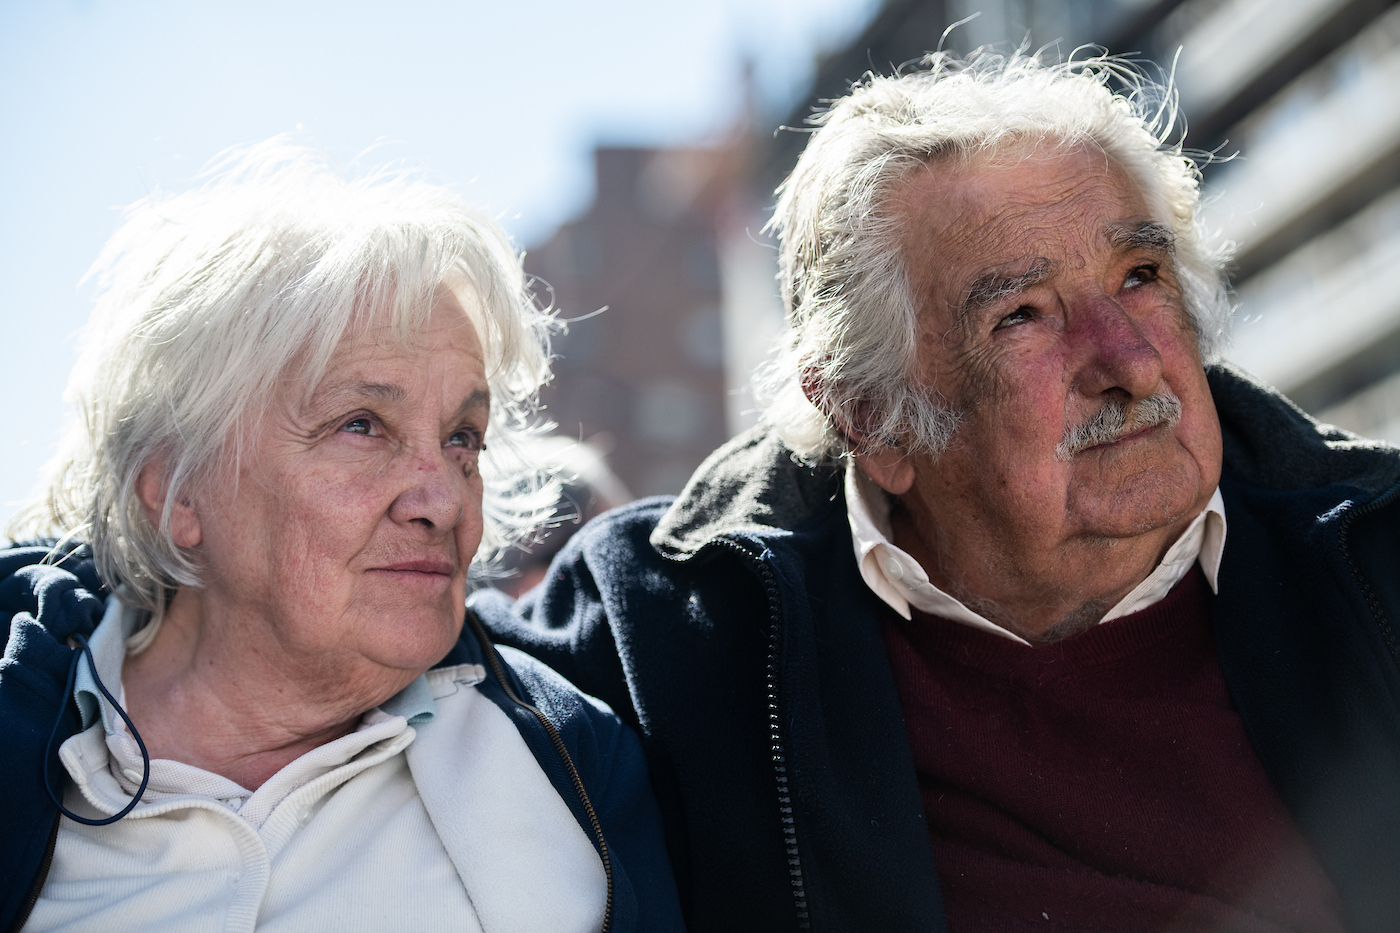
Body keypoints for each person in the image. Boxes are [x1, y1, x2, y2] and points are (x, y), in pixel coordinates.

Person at [472, 51, 1400, 932]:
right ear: (872, 420)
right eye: (1024, 315)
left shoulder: (1374, 553)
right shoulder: (676, 625)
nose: (1131, 360)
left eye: (1141, 276)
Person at [0, 147, 683, 933]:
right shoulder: (23, 740)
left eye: (464, 436)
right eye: (361, 425)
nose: (441, 497)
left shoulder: (570, 754)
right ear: (177, 492)